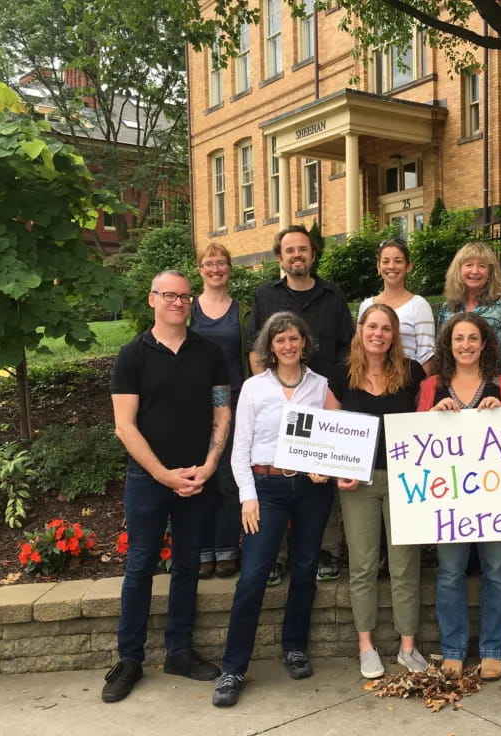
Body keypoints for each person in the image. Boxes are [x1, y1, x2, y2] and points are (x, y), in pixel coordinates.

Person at [104, 270, 231, 703]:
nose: (179, 302)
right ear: (152, 299)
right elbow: (124, 426)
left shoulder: (210, 353)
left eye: (185, 296)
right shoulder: (132, 356)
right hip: (148, 480)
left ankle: (179, 651)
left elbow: (222, 413)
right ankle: (130, 658)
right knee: (140, 566)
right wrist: (162, 474)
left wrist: (210, 465)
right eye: (169, 295)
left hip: (198, 476)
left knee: (188, 565)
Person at [212, 312, 334, 707]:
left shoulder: (319, 386)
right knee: (253, 575)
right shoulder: (253, 388)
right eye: (280, 340)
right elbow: (240, 448)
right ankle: (233, 668)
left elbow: (339, 436)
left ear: (304, 342)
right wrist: (248, 495)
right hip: (265, 489)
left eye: (294, 339)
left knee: (304, 569)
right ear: (270, 345)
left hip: (310, 490)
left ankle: (294, 647)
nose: (288, 346)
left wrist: (325, 466)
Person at [247, 225, 354, 584]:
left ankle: (326, 549)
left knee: (319, 477)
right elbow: (255, 348)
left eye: (303, 250)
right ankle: (275, 555)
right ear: (280, 257)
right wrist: (268, 391)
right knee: (276, 474)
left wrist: (333, 393)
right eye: (290, 250)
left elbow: (345, 348)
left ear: (313, 254)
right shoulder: (265, 295)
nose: (297, 256)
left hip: (321, 400)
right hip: (277, 398)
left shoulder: (333, 295)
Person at [327, 304, 428, 679]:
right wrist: (339, 470)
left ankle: (407, 645)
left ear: (394, 334)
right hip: (360, 481)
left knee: (404, 565)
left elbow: (425, 423)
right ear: (361, 329)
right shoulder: (340, 375)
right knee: (364, 564)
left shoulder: (412, 373)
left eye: (386, 328)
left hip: (404, 480)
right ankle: (365, 646)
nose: (378, 334)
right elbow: (331, 429)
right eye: (373, 326)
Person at [416, 313, 501, 682]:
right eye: (458, 338)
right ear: (448, 344)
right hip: (450, 503)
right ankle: (453, 649)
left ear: (484, 343)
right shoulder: (432, 385)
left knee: (496, 570)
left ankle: (493, 649)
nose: (465, 345)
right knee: (449, 573)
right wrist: (432, 415)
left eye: (473, 338)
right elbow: (417, 443)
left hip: (493, 500)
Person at [192, 243, 250, 579]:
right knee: (199, 473)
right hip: (194, 403)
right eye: (208, 263)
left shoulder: (241, 312)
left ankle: (228, 548)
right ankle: (200, 550)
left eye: (221, 263)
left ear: (230, 268)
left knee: (228, 476)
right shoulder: (188, 310)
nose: (215, 269)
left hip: (235, 399)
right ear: (199, 269)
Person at [437, 242, 501, 376]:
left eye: (482, 266)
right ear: (458, 270)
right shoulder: (448, 308)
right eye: (469, 265)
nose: (475, 271)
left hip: (493, 382)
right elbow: (442, 352)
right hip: (454, 383)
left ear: (490, 272)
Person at [358, 237, 435, 373]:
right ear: (378, 266)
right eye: (385, 261)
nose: (391, 266)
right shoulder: (366, 306)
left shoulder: (419, 305)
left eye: (398, 261)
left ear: (408, 266)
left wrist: (420, 389)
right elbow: (359, 347)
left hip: (407, 382)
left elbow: (427, 355)